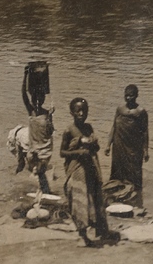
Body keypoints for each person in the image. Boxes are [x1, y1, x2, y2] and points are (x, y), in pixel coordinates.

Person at [59, 98, 110, 247]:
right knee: (79, 198)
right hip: (76, 167)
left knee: (93, 196)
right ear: (71, 113)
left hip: (90, 166)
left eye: (84, 110)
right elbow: (62, 153)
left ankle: (95, 227)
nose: (81, 113)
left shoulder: (89, 127)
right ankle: (83, 233)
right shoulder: (69, 130)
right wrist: (79, 152)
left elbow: (96, 148)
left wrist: (94, 145)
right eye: (78, 111)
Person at [105, 84, 149, 191]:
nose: (128, 98)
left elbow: (145, 132)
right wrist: (108, 145)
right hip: (119, 144)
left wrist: (146, 150)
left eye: (131, 95)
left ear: (137, 95)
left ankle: (136, 195)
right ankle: (116, 191)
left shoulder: (141, 111)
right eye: (126, 96)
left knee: (135, 172)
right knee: (117, 171)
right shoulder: (120, 109)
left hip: (134, 146)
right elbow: (114, 127)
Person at [20, 64, 55, 194]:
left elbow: (50, 132)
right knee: (38, 172)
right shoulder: (31, 111)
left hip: (44, 149)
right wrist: (25, 75)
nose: (37, 101)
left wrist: (51, 118)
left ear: (43, 98)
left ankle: (44, 192)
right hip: (33, 148)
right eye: (35, 98)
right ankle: (43, 191)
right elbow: (23, 94)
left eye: (40, 98)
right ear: (33, 99)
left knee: (40, 172)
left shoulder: (47, 114)